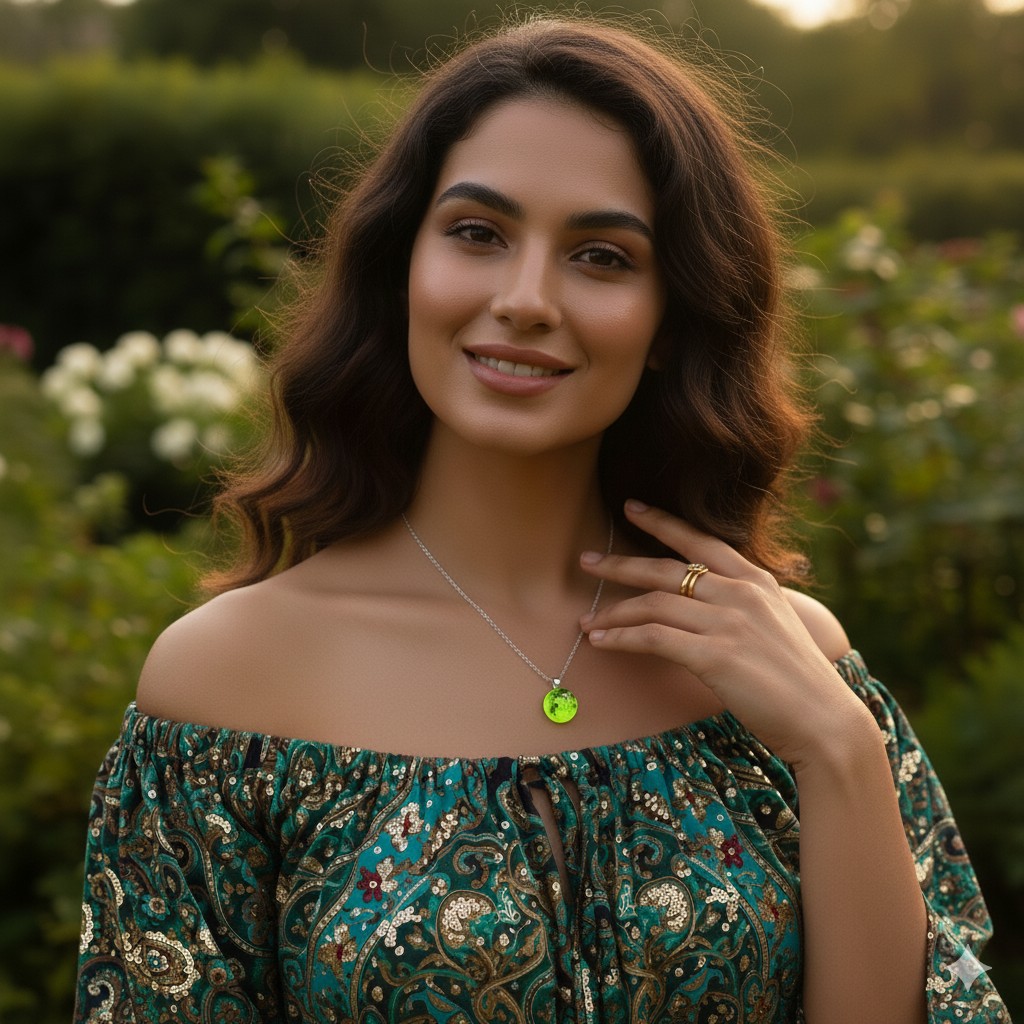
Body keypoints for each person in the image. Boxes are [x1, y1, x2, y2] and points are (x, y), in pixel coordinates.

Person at [73, 15, 1008, 1024]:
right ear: (403, 270)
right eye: (477, 234)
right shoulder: (225, 685)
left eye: (601, 256)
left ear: (670, 320)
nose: (523, 300)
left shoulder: (785, 668)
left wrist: (836, 744)